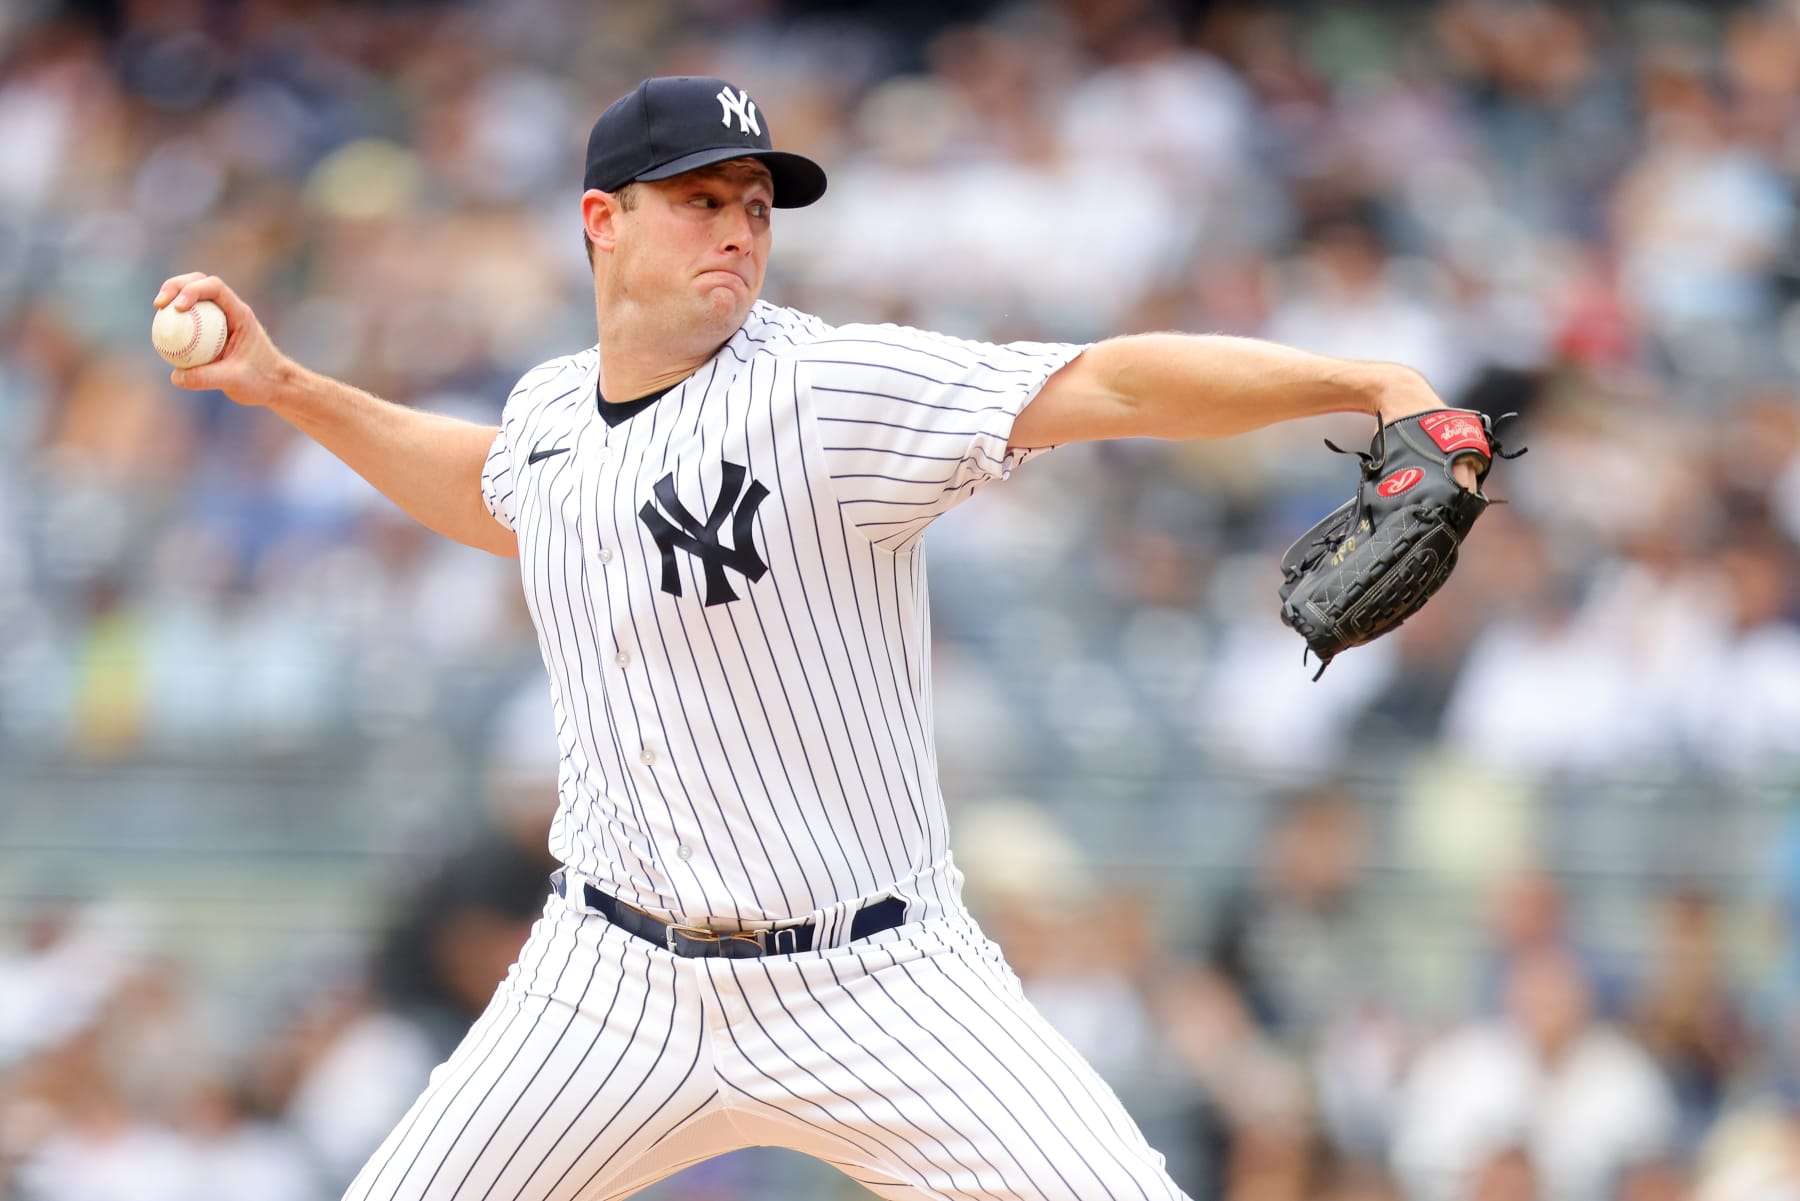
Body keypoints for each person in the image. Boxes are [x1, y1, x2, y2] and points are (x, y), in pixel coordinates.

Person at [153, 74, 1477, 1201]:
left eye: (753, 204)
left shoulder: (823, 390)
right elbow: (498, 491)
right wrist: (285, 386)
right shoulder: (553, 411)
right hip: (608, 979)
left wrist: (1366, 383)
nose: (737, 228)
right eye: (699, 200)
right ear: (600, 223)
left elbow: (1108, 381)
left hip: (879, 978)